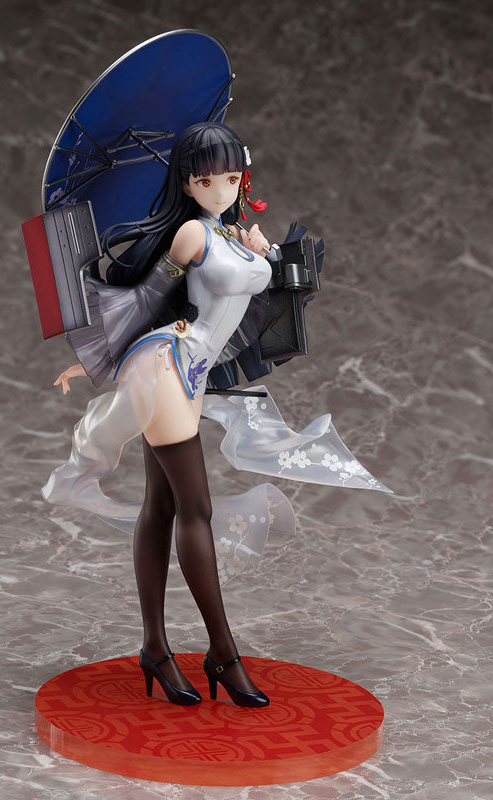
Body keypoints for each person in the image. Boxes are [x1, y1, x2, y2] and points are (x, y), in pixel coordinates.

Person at [41, 122, 391, 708]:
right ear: (187, 183)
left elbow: (270, 289)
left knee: (161, 506)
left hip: (194, 372)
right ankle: (223, 653)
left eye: (232, 178)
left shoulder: (231, 233)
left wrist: (265, 252)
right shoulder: (190, 235)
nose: (221, 189)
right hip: (168, 362)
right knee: (195, 509)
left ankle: (156, 649)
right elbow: (147, 300)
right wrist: (95, 359)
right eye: (207, 181)